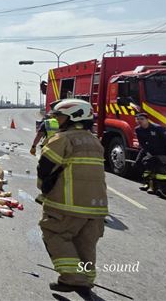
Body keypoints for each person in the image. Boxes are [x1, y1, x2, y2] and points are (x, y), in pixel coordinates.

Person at [37, 99, 107, 297]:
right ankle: (85, 279)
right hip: (97, 206)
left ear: (74, 116)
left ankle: (72, 278)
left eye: (59, 116)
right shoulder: (95, 141)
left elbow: (45, 168)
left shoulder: (62, 139)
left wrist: (44, 191)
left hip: (67, 204)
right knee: (85, 242)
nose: (57, 120)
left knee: (54, 233)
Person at [134, 112, 166, 193]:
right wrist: (147, 152)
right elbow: (142, 143)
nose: (139, 121)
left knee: (155, 166)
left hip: (161, 150)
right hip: (148, 149)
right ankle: (146, 183)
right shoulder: (138, 129)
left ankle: (155, 186)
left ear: (147, 120)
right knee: (138, 163)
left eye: (142, 119)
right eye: (137, 119)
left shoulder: (158, 128)